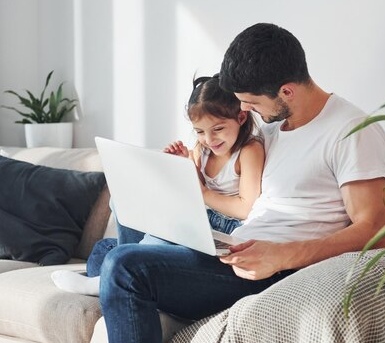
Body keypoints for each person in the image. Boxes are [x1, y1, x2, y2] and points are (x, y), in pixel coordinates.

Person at [99, 23, 385, 343]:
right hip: (235, 249)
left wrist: (282, 255)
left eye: (251, 102)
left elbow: (376, 232)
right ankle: (105, 274)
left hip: (275, 268)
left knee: (123, 267)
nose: (244, 110)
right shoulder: (271, 130)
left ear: (286, 91)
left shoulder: (352, 131)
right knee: (132, 210)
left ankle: (107, 277)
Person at [51, 75, 265, 296]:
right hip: (199, 217)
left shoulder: (248, 150)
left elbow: (244, 208)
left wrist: (202, 192)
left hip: (224, 229)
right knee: (121, 203)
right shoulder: (203, 150)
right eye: (200, 131)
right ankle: (120, 262)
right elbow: (193, 193)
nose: (209, 139)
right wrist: (182, 167)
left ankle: (106, 279)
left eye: (218, 129)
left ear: (240, 117)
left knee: (130, 246)